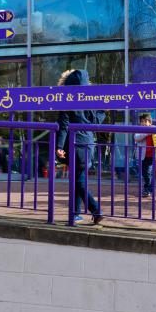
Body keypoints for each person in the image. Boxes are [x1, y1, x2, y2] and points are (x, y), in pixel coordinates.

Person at [55, 69, 105, 225]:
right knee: (79, 178)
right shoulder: (91, 99)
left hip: (74, 144)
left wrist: (59, 146)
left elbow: (63, 126)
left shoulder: (67, 100)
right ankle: (75, 213)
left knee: (79, 181)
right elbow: (98, 119)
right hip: (89, 144)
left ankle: (96, 209)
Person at [133, 113, 156, 197]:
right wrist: (146, 133)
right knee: (146, 172)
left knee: (148, 172)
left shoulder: (154, 129)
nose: (143, 123)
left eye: (146, 121)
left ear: (150, 122)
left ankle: (148, 188)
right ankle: (149, 188)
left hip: (152, 155)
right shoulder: (140, 130)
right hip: (143, 155)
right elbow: (136, 138)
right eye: (142, 121)